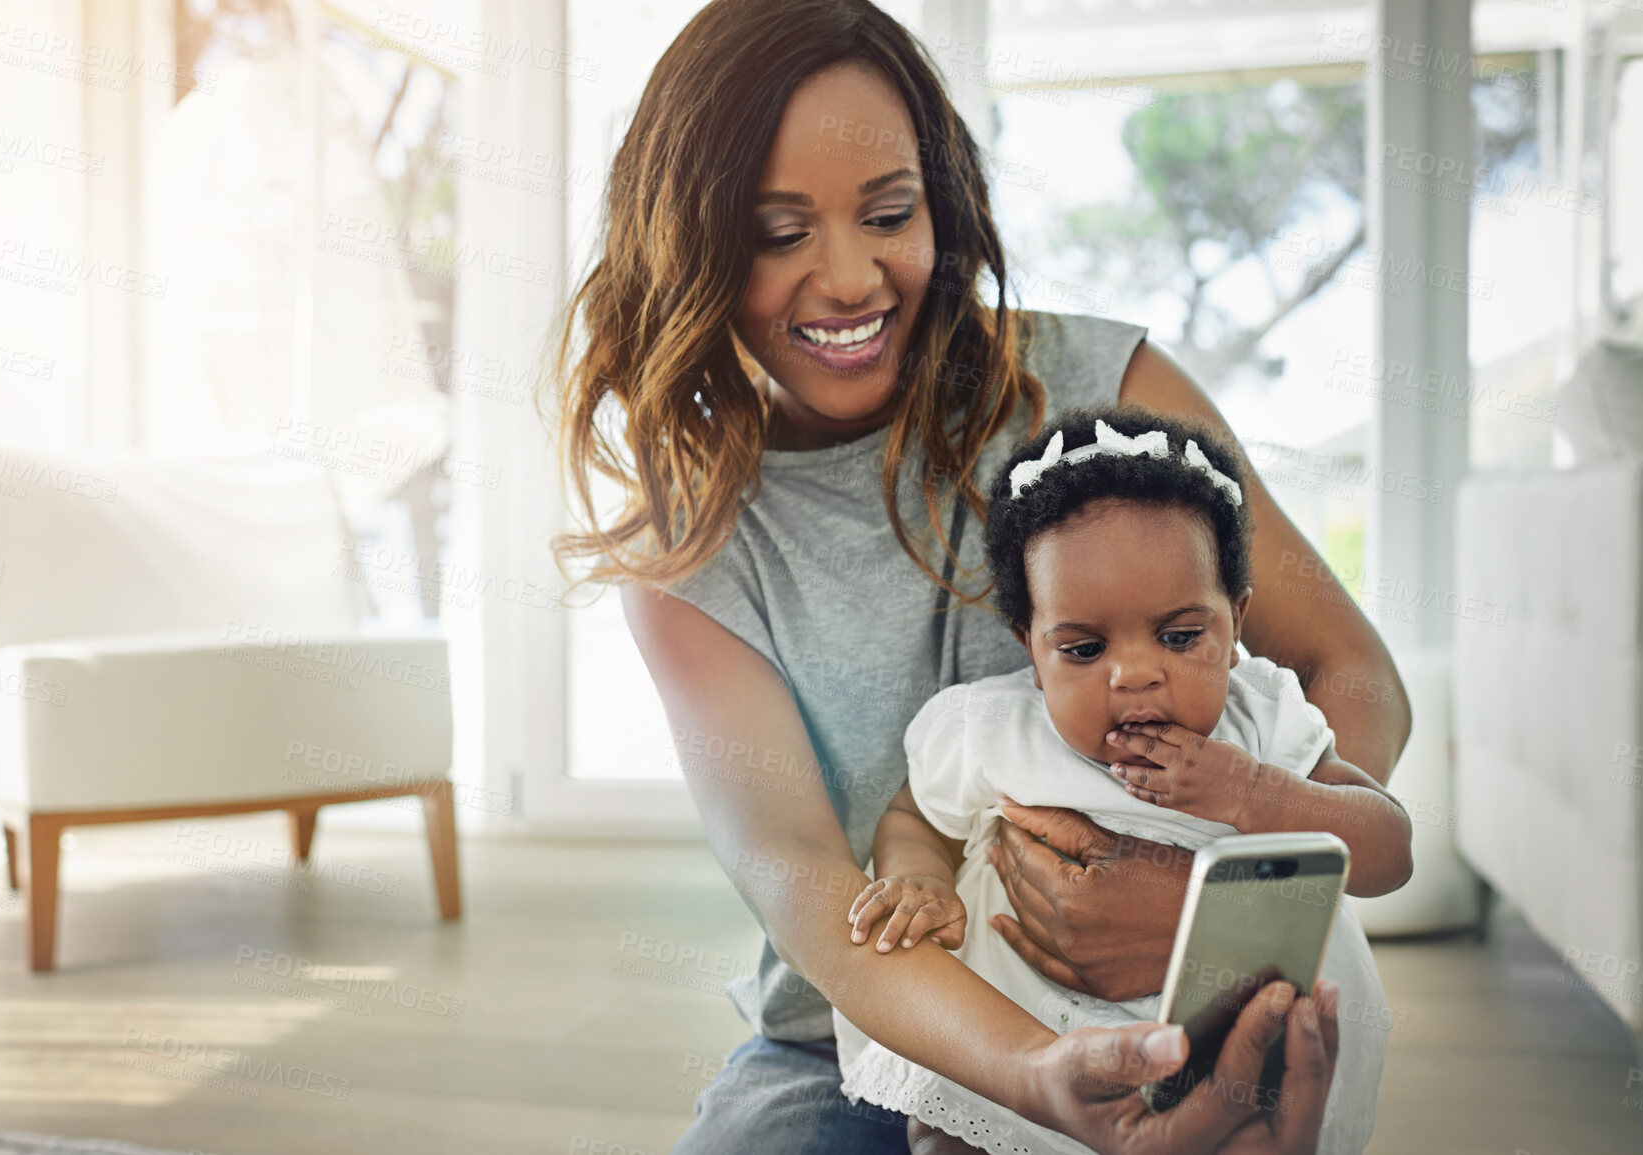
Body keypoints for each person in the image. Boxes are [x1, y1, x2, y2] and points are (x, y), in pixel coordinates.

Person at [547, 1, 1411, 1150]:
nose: (850, 278)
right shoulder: (685, 551)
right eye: (777, 232)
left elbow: (1346, 669)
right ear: (694, 243)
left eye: (889, 214)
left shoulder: (1108, 394)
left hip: (1175, 1001)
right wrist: (1037, 1074)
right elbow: (802, 877)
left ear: (940, 205)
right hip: (863, 1038)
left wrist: (1229, 917)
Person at [832, 405, 1413, 1154]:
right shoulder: (990, 727)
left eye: (1178, 636)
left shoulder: (1261, 724)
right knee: (954, 1127)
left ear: (1234, 625)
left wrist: (1253, 793)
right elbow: (915, 814)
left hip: (1212, 1044)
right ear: (1030, 646)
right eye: (1082, 648)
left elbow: (1387, 851)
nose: (1134, 671)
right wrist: (920, 877)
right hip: (1019, 1036)